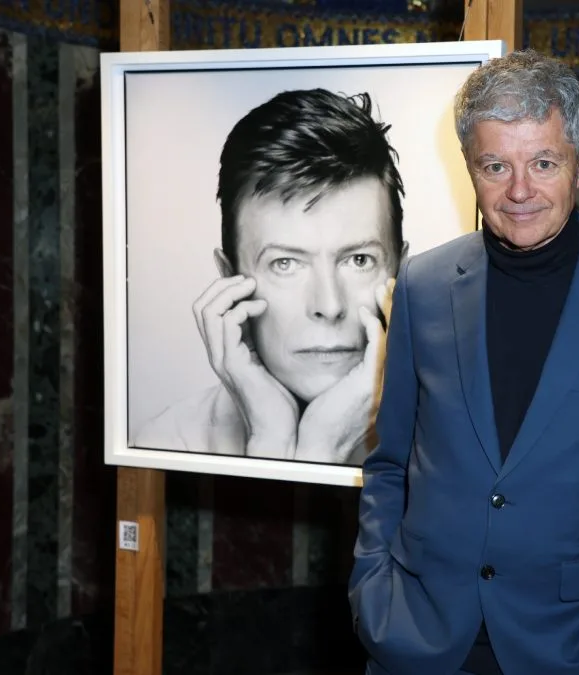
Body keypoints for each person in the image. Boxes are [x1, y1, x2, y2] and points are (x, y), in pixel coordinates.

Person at [348, 49, 579, 674]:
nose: (519, 191)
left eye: (543, 162)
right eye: (495, 165)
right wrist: (372, 593)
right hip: (417, 641)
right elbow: (391, 462)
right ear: (470, 167)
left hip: (576, 648)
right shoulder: (423, 285)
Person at [134, 88, 407, 466]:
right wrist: (272, 438)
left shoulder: (455, 444)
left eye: (358, 260)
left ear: (403, 275)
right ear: (229, 280)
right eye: (285, 264)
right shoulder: (167, 441)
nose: (329, 306)